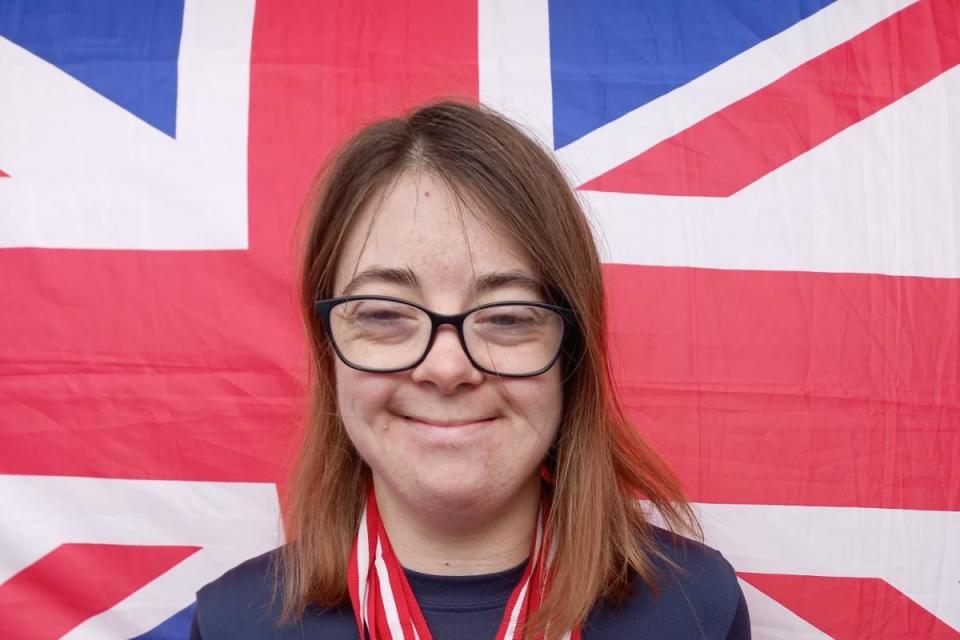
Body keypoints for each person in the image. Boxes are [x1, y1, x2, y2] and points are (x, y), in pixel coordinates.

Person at [190, 101, 750, 639]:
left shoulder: (696, 608)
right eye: (384, 313)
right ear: (328, 348)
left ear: (571, 354)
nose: (447, 366)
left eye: (507, 317)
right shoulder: (234, 623)